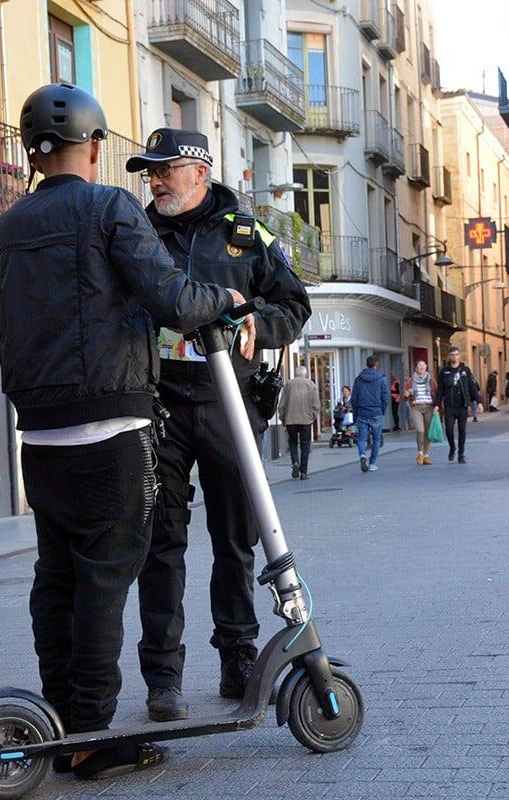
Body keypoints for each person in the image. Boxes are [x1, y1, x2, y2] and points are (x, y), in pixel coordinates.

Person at [0, 85, 245, 778]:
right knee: (104, 579)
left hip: (39, 434)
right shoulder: (110, 208)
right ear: (97, 146)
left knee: (56, 577)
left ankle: (57, 720)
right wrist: (227, 296)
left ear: (32, 154)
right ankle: (90, 734)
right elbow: (174, 299)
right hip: (113, 426)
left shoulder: (11, 226)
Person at [125, 127, 310, 723]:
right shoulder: (137, 234)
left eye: (164, 170)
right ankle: (163, 679)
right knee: (161, 543)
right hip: (159, 407)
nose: (154, 181)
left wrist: (260, 322)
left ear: (200, 173)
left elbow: (294, 305)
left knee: (235, 540)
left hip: (231, 403)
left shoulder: (246, 235)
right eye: (149, 172)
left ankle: (238, 658)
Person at [437, 346, 482, 464]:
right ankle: (452, 447)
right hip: (449, 406)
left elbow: (472, 387)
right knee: (449, 429)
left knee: (462, 430)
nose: (455, 357)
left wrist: (479, 402)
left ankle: (461, 454)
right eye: (452, 355)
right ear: (449, 356)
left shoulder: (465, 370)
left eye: (456, 354)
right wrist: (437, 404)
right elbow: (440, 389)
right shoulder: (444, 372)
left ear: (459, 356)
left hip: (462, 406)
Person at [279, 365, 319, 481]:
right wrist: (312, 416)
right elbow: (316, 404)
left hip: (290, 420)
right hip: (306, 420)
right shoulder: (311, 385)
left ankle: (295, 462)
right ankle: (304, 472)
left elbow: (282, 405)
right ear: (305, 374)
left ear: (295, 374)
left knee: (292, 443)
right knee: (305, 446)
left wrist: (283, 418)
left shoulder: (288, 385)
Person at [353, 355, 390, 473]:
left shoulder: (359, 379)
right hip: (376, 412)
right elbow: (385, 397)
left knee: (362, 438)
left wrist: (355, 413)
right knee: (376, 439)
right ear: (376, 364)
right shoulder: (382, 379)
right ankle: (372, 463)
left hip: (362, 412)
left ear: (366, 364)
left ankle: (362, 455)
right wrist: (382, 410)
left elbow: (354, 398)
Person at [403, 360, 439, 466]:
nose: (422, 368)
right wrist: (406, 395)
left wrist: (438, 406)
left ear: (426, 367)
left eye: (423, 366)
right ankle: (420, 453)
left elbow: (437, 393)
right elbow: (405, 396)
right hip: (416, 407)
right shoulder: (411, 380)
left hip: (429, 407)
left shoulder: (431, 380)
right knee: (420, 430)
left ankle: (426, 455)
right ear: (416, 368)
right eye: (419, 366)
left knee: (427, 432)